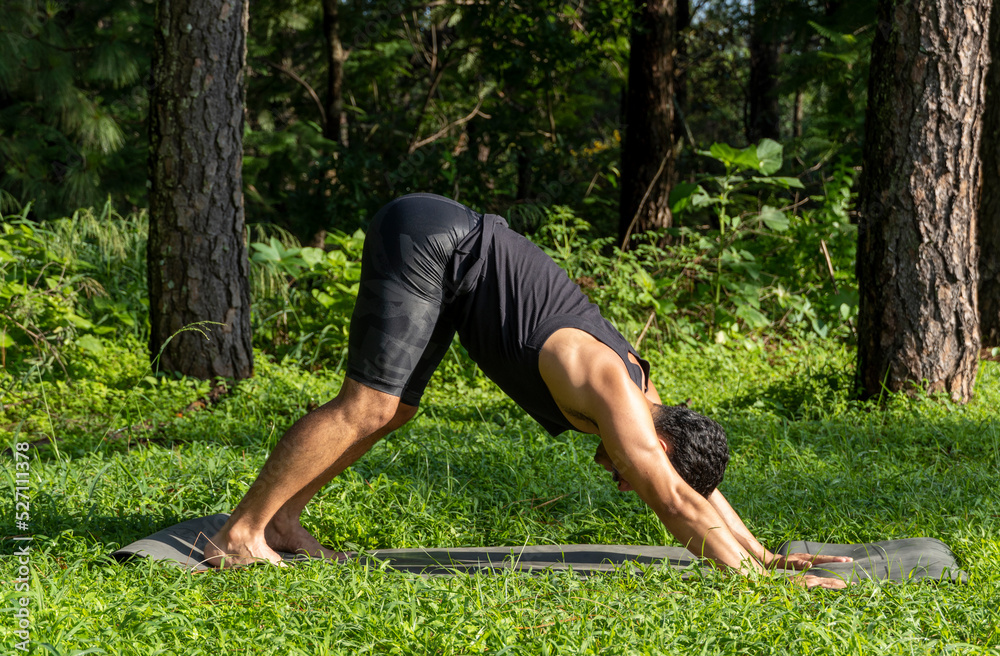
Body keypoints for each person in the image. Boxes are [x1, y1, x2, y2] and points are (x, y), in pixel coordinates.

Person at [204, 193, 849, 587]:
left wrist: (763, 558)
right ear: (659, 437)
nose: (628, 479)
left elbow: (693, 483)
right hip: (432, 242)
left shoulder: (652, 404)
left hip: (453, 274)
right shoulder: (612, 388)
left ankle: (281, 523)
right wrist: (752, 589)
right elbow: (676, 497)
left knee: (393, 411)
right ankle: (242, 533)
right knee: (367, 405)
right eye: (642, 467)